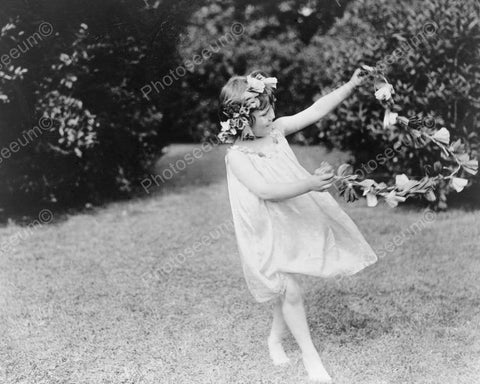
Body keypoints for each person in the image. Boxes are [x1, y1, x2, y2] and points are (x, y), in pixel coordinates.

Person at [218, 69, 378, 383]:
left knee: (285, 290)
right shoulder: (237, 156)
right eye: (263, 114)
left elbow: (316, 110)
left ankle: (275, 339)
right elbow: (265, 191)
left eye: (271, 109)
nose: (272, 116)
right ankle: (310, 356)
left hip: (291, 221)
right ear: (241, 120)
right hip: (265, 230)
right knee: (289, 289)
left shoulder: (276, 130)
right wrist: (308, 183)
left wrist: (351, 84)